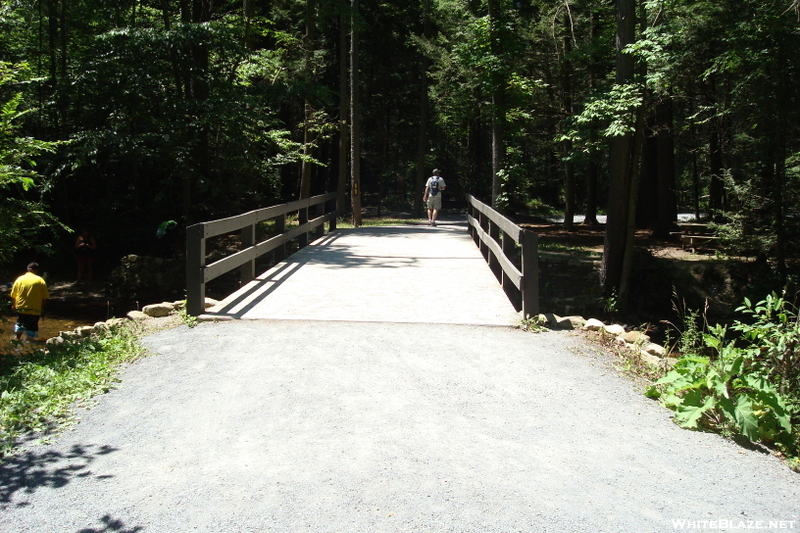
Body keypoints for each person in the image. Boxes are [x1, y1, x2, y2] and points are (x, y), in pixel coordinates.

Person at [10, 262, 49, 342]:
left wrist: (14, 305)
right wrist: (42, 309)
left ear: (27, 269)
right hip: (34, 309)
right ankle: (30, 343)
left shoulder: (19, 279)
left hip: (21, 307)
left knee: (19, 324)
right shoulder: (40, 280)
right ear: (36, 270)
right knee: (32, 327)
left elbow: (13, 295)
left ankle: (17, 340)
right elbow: (44, 297)